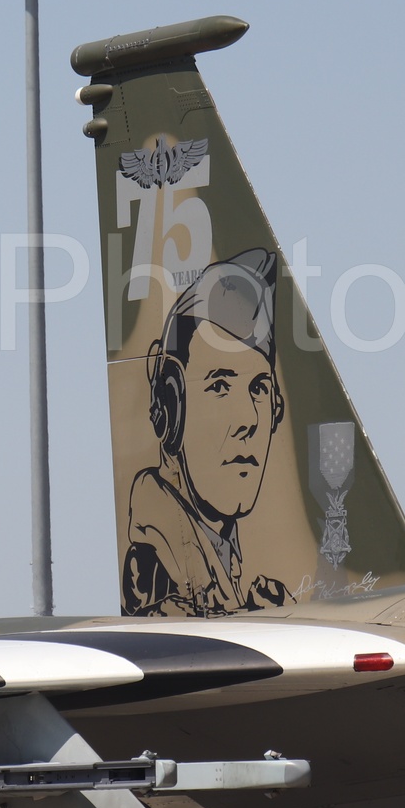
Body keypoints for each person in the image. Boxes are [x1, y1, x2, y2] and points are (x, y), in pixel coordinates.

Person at [122, 250, 291, 617]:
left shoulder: (227, 560)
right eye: (219, 386)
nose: (249, 420)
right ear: (171, 406)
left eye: (259, 388)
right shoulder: (162, 574)